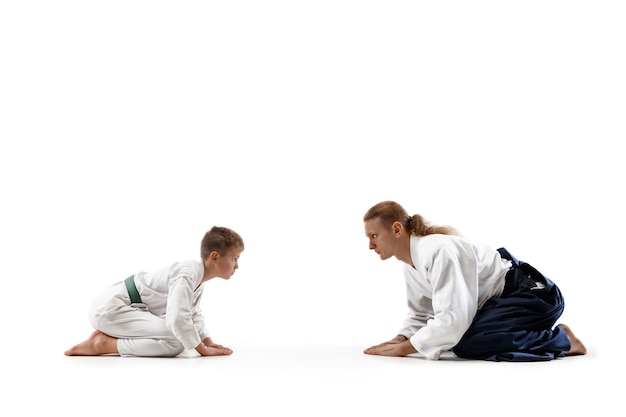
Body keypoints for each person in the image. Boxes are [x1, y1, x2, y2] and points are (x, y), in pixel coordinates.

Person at [362, 201, 587, 361]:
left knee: (469, 342)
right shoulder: (410, 261)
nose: (371, 245)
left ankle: (563, 340)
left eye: (374, 236)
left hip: (535, 296)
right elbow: (421, 313)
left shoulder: (438, 250)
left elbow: (453, 320)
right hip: (503, 303)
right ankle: (520, 329)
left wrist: (404, 349)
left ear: (396, 229)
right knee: (460, 340)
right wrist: (401, 338)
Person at [64, 226, 244, 358]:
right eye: (234, 259)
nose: (237, 266)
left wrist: (208, 341)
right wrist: (202, 350)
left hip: (125, 309)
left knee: (180, 336)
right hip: (110, 308)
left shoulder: (197, 278)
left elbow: (192, 313)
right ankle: (103, 344)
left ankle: (110, 338)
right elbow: (177, 318)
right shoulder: (187, 274)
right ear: (214, 257)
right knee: (175, 341)